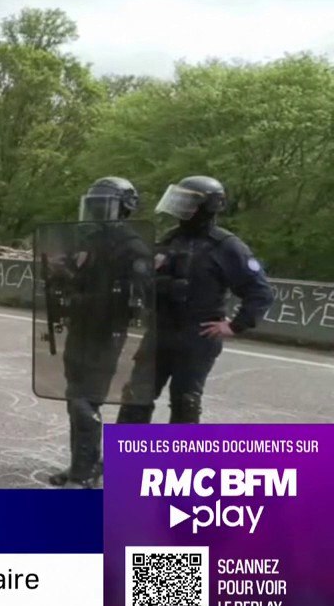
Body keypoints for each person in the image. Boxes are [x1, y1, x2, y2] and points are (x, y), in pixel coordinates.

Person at [116, 175, 274, 425]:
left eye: (188, 202)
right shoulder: (170, 239)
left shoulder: (227, 246)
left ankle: (181, 462)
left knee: (185, 401)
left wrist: (236, 325)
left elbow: (260, 291)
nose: (181, 208)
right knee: (136, 395)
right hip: (160, 330)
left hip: (196, 335)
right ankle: (126, 460)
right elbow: (144, 285)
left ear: (207, 207)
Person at [38, 177, 151, 488]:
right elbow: (78, 282)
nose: (98, 212)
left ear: (123, 209)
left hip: (106, 333)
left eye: (105, 206)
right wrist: (60, 275)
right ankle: (81, 465)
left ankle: (84, 473)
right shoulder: (89, 240)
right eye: (95, 205)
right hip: (81, 328)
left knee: (85, 400)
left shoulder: (131, 248)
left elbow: (132, 301)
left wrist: (81, 299)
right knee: (75, 398)